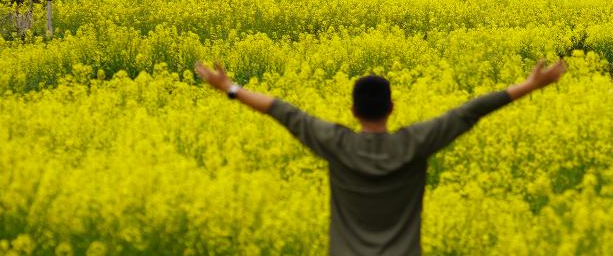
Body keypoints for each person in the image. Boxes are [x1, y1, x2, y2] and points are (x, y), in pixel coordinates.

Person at [194, 57, 567, 255]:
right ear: (392, 106)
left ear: (353, 110)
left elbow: (281, 110)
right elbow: (470, 111)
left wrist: (229, 86)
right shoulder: (414, 143)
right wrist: (532, 85)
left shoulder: (337, 143)